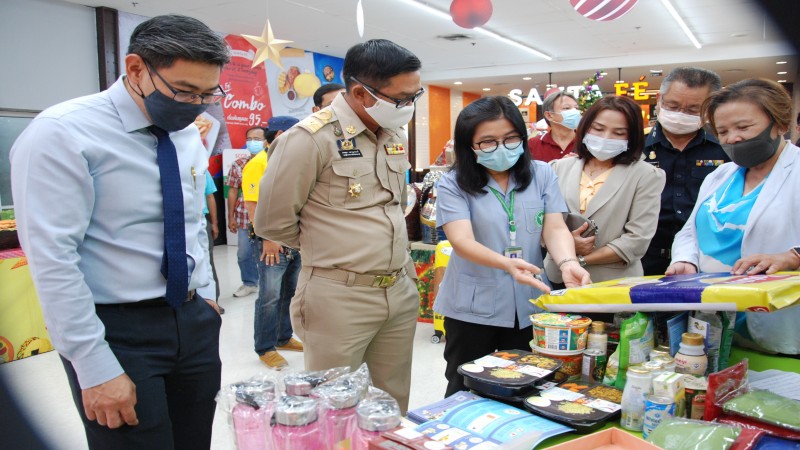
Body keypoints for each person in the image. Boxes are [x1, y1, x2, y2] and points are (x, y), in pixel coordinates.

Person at [10, 14, 227, 449]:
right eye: (184, 91)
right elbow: (54, 258)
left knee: (194, 438)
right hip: (117, 330)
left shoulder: (185, 132)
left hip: (190, 319)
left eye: (208, 93)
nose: (195, 104)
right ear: (135, 69)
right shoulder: (63, 132)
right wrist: (92, 365)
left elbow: (189, 222)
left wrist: (205, 294)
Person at [254, 39, 423, 411]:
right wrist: (333, 246)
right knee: (335, 408)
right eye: (402, 99)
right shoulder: (310, 139)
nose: (409, 107)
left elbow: (393, 204)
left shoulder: (394, 132)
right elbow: (272, 221)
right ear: (362, 93)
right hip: (339, 295)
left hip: (397, 287)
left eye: (416, 95)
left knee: (391, 404)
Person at [434, 96, 592, 397]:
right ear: (469, 145)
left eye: (510, 139)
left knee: (528, 384)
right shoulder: (454, 183)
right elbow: (462, 241)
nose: (502, 148)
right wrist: (507, 264)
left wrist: (568, 263)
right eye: (488, 142)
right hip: (471, 307)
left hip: (530, 301)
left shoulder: (542, 174)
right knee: (465, 385)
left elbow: (555, 227)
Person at [667, 78, 800, 355]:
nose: (732, 139)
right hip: (714, 318)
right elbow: (691, 231)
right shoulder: (720, 176)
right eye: (723, 131)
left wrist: (790, 257)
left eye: (743, 127)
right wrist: (685, 260)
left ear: (780, 124)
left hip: (778, 323)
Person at [543, 96, 665, 285]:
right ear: (585, 127)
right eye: (598, 129)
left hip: (614, 284)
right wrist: (566, 248)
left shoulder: (646, 175)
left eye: (619, 133)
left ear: (632, 137)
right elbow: (540, 223)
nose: (605, 138)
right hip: (557, 278)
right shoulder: (558, 168)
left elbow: (637, 240)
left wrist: (577, 260)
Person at [641, 67, 729, 275]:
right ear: (659, 99)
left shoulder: (725, 148)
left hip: (705, 259)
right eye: (673, 105)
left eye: (692, 110)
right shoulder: (635, 145)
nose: (680, 115)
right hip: (644, 257)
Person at [242, 115, 303, 369]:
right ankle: (265, 347)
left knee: (289, 291)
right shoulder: (259, 163)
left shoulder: (291, 161)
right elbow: (252, 205)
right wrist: (268, 238)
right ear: (280, 136)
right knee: (269, 295)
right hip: (271, 241)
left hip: (293, 240)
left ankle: (283, 336)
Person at [225, 127, 264, 298]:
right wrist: (230, 216)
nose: (252, 142)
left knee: (269, 252)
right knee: (244, 253)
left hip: (267, 216)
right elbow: (233, 191)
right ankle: (250, 283)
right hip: (244, 216)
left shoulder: (273, 161)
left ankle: (271, 282)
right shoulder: (239, 164)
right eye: (249, 139)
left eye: (257, 138)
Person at [528, 91, 580, 162]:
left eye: (576, 108)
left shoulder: (587, 141)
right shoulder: (533, 144)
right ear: (549, 115)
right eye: (567, 108)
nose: (575, 112)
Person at [204, 170, 221, 310]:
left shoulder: (201, 168)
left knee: (207, 261)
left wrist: (214, 223)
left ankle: (214, 300)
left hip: (201, 220)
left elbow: (210, 196)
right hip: (177, 220)